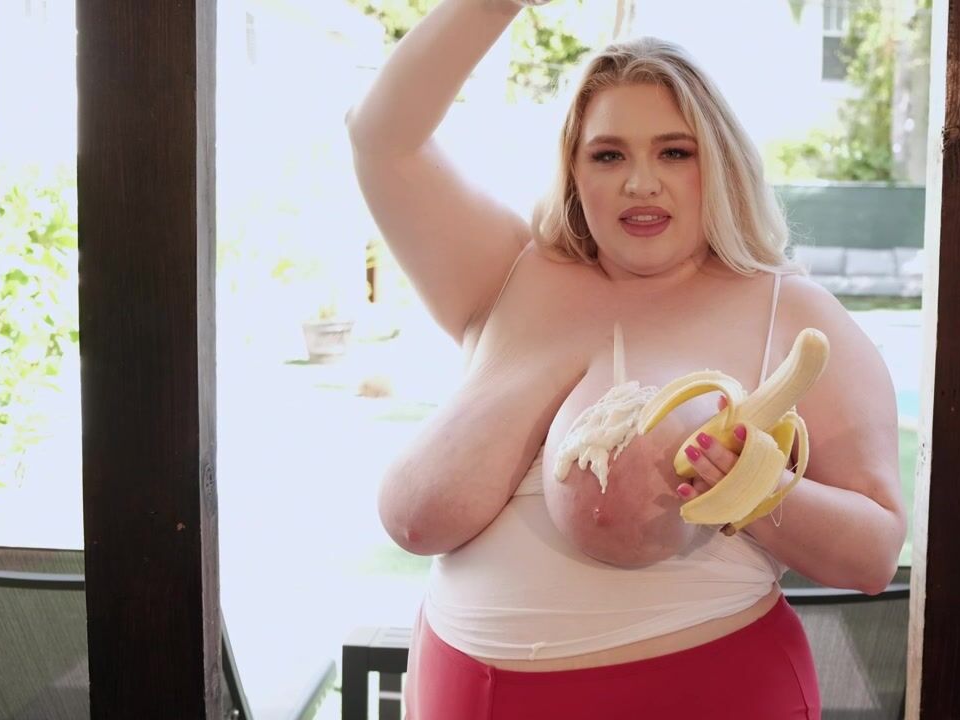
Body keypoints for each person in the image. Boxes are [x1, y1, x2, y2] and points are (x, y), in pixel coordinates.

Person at [346, 0, 907, 717]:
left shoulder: (789, 312)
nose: (641, 182)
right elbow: (381, 139)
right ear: (574, 171)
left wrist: (758, 490)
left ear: (719, 162)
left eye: (675, 152)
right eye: (608, 155)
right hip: (464, 692)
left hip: (701, 692)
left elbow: (873, 555)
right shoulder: (505, 272)